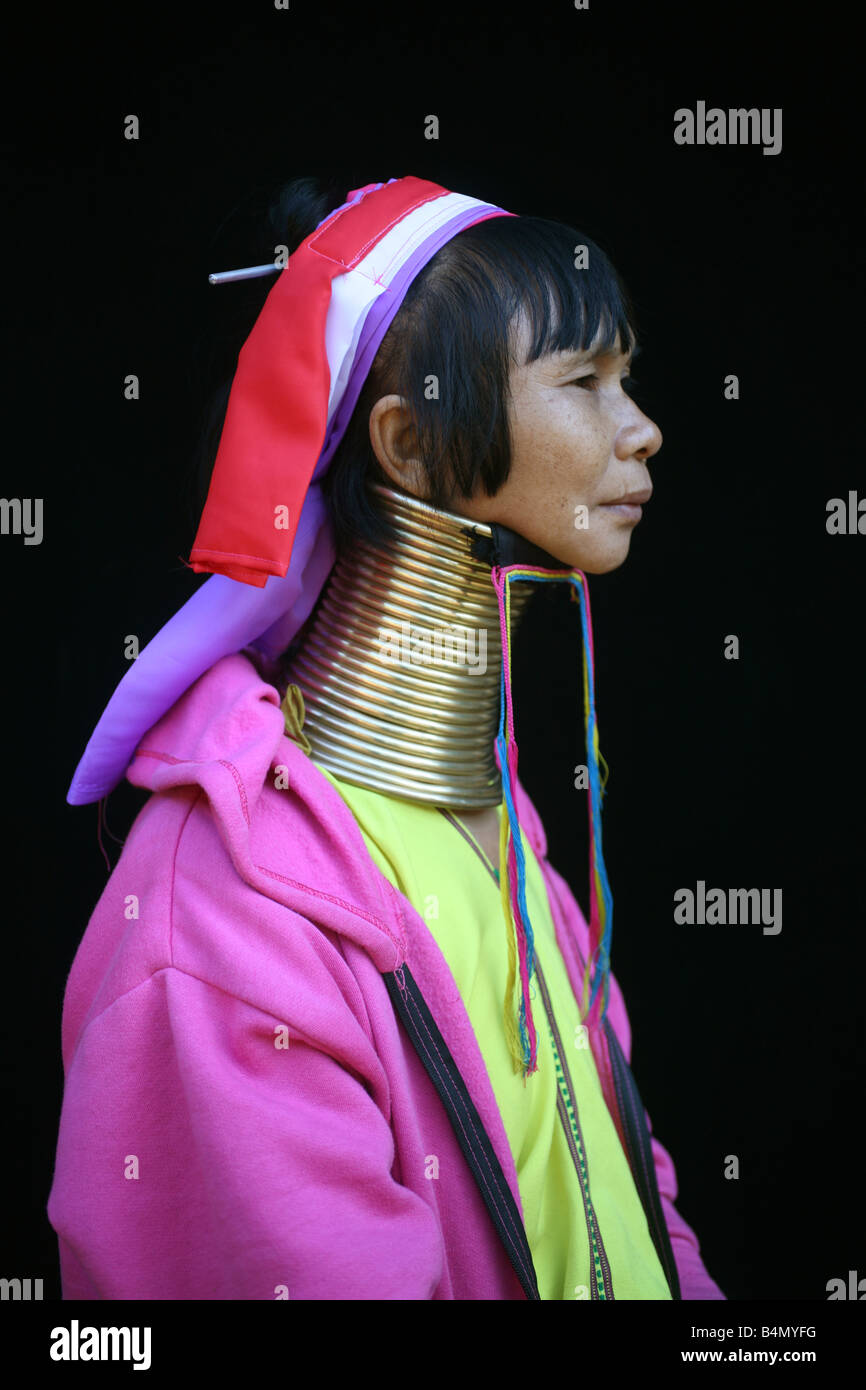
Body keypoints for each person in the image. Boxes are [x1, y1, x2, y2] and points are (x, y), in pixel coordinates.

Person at [47, 174, 725, 1300]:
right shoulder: (230, 902)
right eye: (582, 382)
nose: (640, 427)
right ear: (409, 444)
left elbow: (624, 1193)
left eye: (628, 378)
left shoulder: (503, 827)